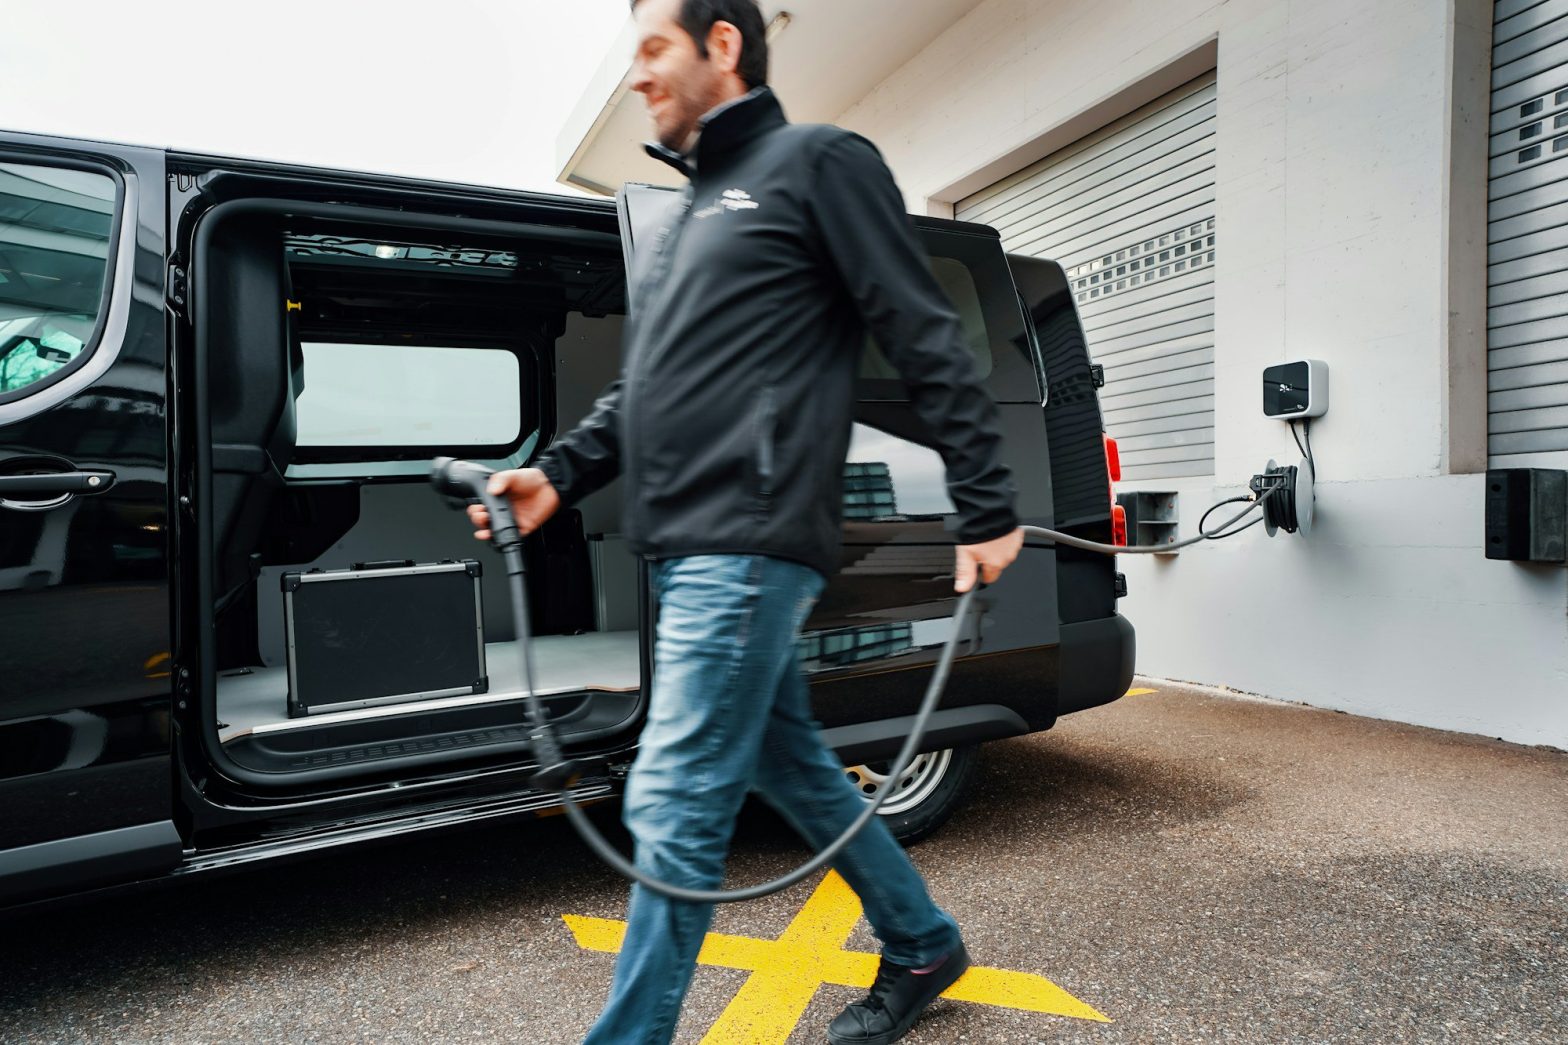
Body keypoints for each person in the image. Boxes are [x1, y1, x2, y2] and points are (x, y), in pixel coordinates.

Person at [467, 1, 1024, 1040]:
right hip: (685, 548)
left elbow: (920, 327)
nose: (636, 77)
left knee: (674, 802)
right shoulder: (696, 215)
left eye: (652, 50)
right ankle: (921, 940)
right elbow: (649, 390)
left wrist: (988, 499)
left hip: (749, 540)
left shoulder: (816, 163)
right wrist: (557, 473)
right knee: (793, 769)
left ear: (721, 44)